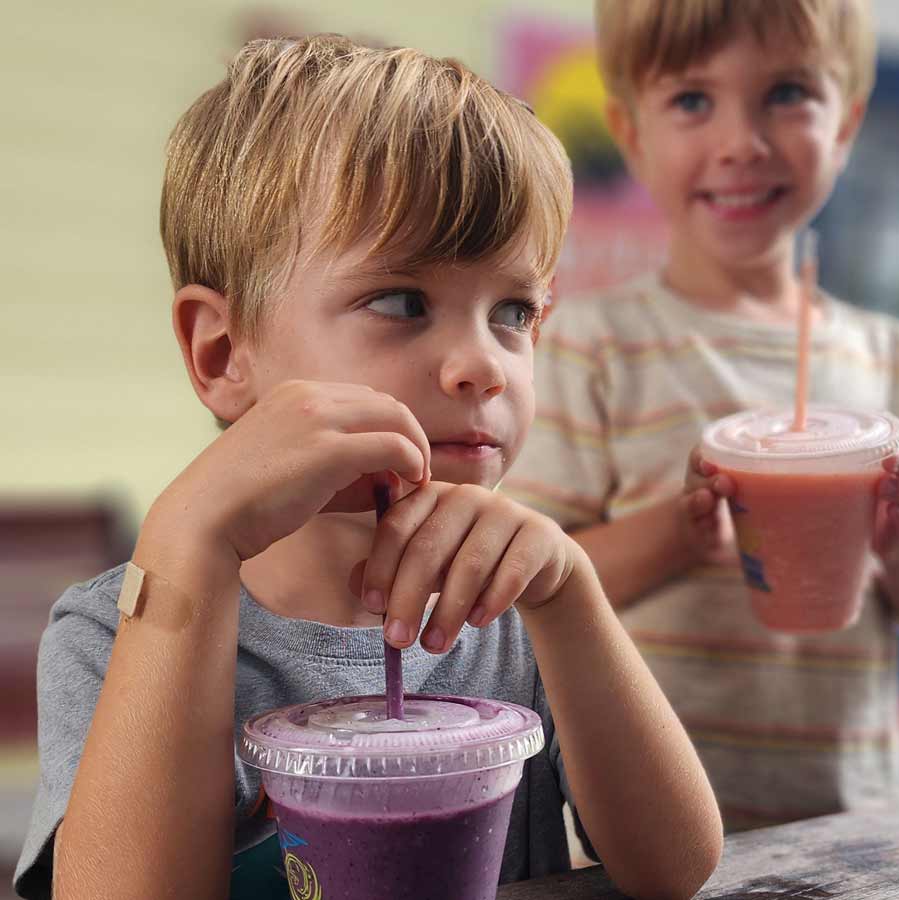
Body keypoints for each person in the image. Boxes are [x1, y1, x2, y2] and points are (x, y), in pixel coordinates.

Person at [15, 35, 722, 900]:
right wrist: (187, 538)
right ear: (223, 352)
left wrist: (571, 593)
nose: (483, 365)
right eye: (401, 301)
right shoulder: (105, 637)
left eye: (513, 311)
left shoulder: (515, 613)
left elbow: (676, 870)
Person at [502, 0, 899, 832]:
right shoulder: (591, 343)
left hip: (852, 814)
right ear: (630, 131)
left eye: (788, 92)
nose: (741, 142)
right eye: (692, 100)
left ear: (846, 124)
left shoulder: (891, 354)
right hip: (648, 827)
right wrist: (680, 535)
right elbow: (538, 581)